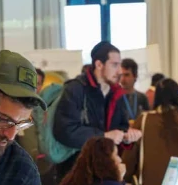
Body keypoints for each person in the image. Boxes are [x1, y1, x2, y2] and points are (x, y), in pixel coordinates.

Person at [52, 41, 141, 177]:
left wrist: (126, 136)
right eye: (114, 65)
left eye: (120, 65)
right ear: (99, 64)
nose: (119, 72)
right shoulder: (76, 89)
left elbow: (120, 127)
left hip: (105, 170)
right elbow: (65, 131)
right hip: (75, 172)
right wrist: (104, 136)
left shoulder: (116, 93)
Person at [119, 58, 150, 122]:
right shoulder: (114, 98)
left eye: (126, 75)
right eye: (121, 75)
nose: (122, 79)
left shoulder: (142, 98)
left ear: (135, 76)